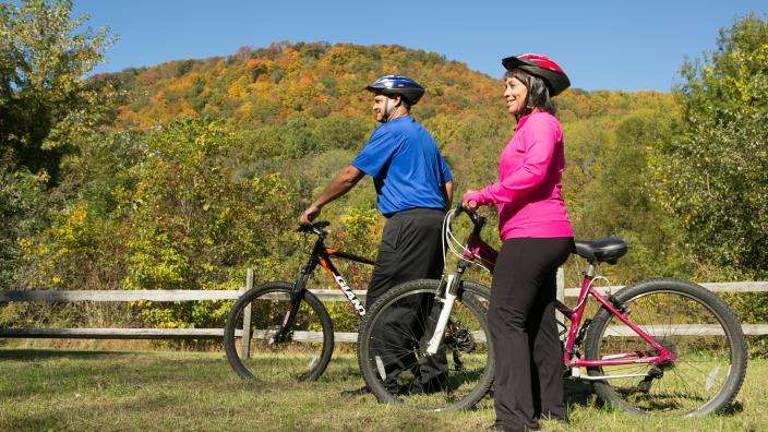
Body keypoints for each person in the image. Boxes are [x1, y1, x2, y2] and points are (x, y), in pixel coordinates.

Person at [299, 74, 454, 394]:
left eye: (378, 98)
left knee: (384, 299)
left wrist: (317, 204)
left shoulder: (391, 131)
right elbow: (448, 184)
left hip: (407, 221)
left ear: (397, 100)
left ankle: (384, 380)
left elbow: (350, 175)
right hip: (436, 221)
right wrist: (435, 216)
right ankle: (433, 377)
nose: (373, 104)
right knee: (422, 297)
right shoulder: (424, 136)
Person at [462, 54, 574, 432]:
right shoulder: (529, 126)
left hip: (535, 232)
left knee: (503, 317)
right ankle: (550, 408)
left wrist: (486, 193)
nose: (505, 92)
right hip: (536, 234)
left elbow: (534, 171)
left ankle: (514, 419)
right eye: (505, 85)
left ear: (534, 88)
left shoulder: (541, 123)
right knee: (537, 319)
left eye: (512, 85)